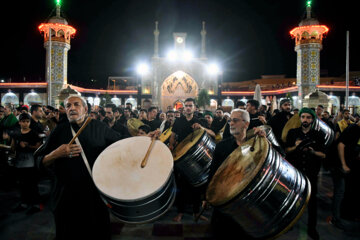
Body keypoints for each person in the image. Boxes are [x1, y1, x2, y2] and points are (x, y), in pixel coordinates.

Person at [36, 95, 125, 240]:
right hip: (66, 197)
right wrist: (56, 153)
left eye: (76, 105)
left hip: (94, 196)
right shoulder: (59, 131)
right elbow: (40, 161)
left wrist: (147, 138)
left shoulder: (99, 127)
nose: (72, 108)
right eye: (68, 106)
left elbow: (123, 145)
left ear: (85, 108)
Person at [208, 109, 266, 239]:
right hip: (226, 198)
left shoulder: (257, 143)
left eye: (235, 120)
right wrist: (208, 195)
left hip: (247, 201)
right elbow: (214, 172)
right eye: (230, 121)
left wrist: (266, 142)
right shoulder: (222, 146)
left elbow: (279, 157)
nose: (231, 124)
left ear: (246, 124)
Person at [285, 108, 326, 240]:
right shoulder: (293, 133)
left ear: (312, 120)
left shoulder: (318, 135)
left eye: (308, 117)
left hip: (311, 173)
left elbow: (324, 154)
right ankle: (289, 224)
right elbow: (286, 151)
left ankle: (311, 228)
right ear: (300, 118)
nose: (305, 120)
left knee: (312, 202)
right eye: (303, 117)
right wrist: (295, 146)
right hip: (295, 173)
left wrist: (313, 152)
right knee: (293, 200)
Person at [169, 98, 207, 222]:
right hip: (181, 157)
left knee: (196, 186)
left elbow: (210, 133)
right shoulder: (178, 121)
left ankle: (196, 212)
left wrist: (201, 128)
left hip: (195, 158)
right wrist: (171, 146)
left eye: (190, 105)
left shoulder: (199, 120)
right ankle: (180, 212)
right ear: (184, 108)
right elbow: (173, 135)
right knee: (181, 186)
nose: (188, 108)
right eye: (186, 106)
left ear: (195, 108)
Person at [7, 113, 42, 214]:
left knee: (32, 185)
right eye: (23, 121)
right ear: (19, 122)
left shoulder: (34, 134)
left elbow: (39, 148)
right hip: (19, 163)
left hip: (31, 163)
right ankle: (24, 203)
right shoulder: (16, 133)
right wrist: (13, 143)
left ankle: (36, 204)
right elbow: (13, 147)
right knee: (22, 185)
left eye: (27, 121)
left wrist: (27, 147)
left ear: (30, 122)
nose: (25, 123)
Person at [337, 120, 360, 223]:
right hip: (350, 164)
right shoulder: (353, 128)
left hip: (356, 165)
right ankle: (345, 215)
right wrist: (344, 164)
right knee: (349, 190)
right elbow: (341, 145)